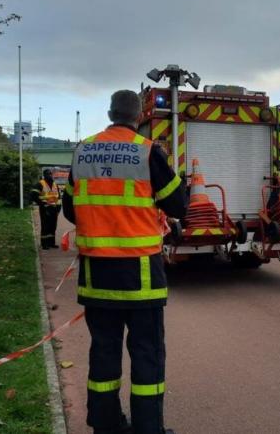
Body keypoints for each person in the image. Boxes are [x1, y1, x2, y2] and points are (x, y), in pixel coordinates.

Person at [63, 90, 187, 434]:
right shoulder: (147, 152)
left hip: (96, 277)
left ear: (109, 113)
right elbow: (178, 204)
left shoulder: (83, 150)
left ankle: (105, 424)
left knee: (103, 353)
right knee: (147, 357)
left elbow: (70, 209)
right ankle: (148, 429)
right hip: (141, 278)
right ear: (139, 117)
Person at [32, 169, 61, 249]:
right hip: (45, 208)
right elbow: (34, 195)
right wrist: (42, 204)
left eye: (51, 174)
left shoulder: (55, 184)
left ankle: (51, 243)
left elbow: (59, 198)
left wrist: (58, 208)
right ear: (44, 175)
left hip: (54, 208)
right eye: (48, 174)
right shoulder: (40, 184)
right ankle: (44, 244)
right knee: (45, 226)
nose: (50, 176)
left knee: (53, 226)